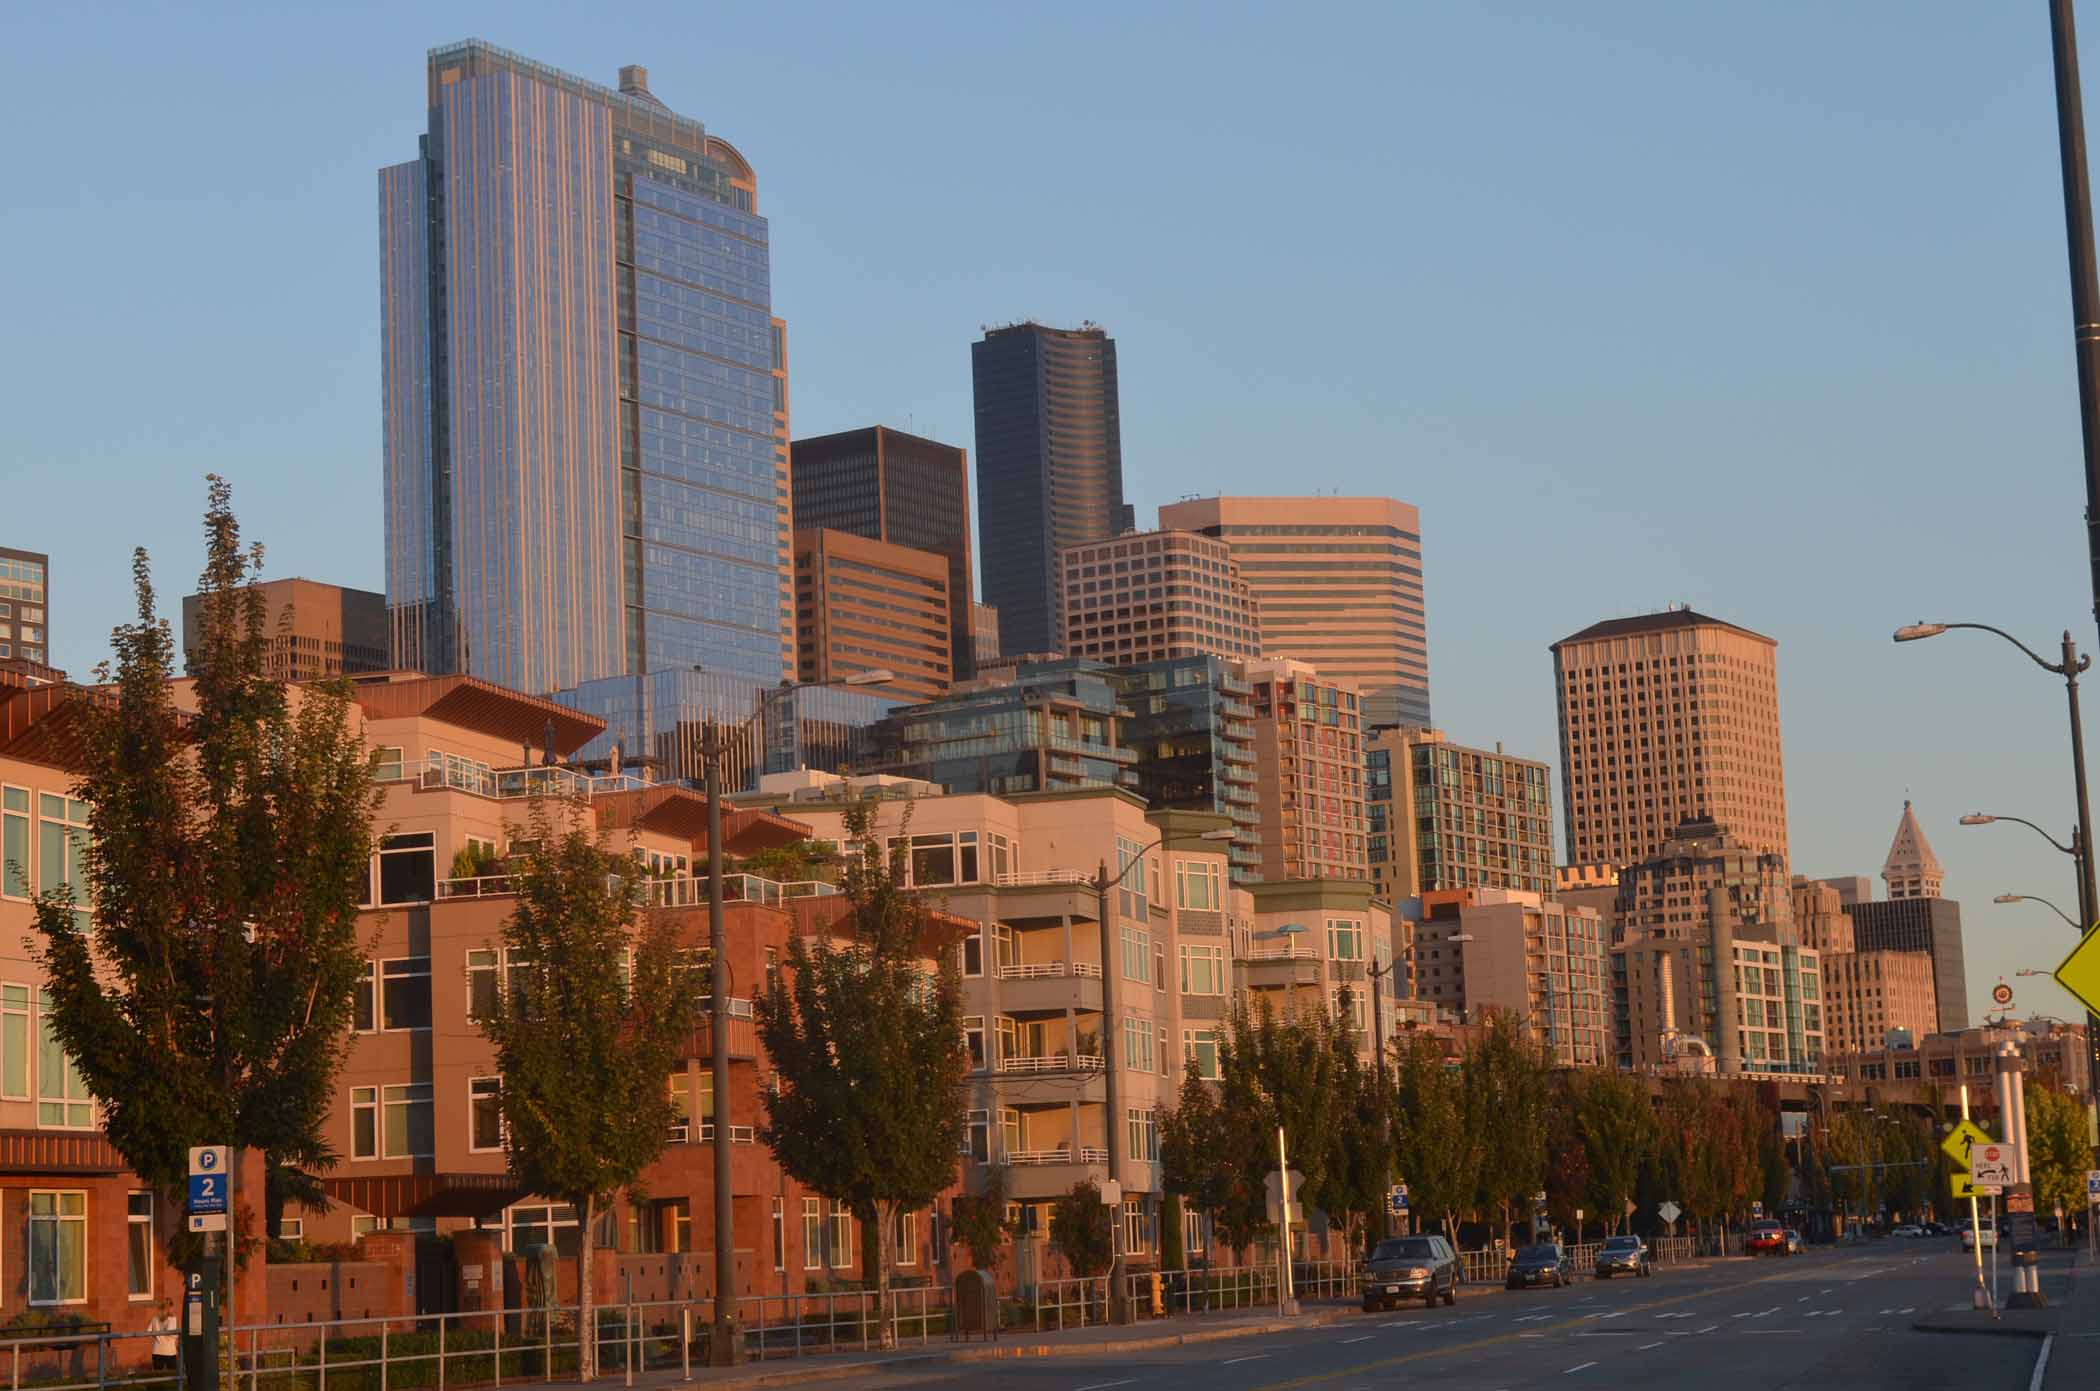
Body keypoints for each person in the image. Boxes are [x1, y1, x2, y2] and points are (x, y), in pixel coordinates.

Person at [146, 1299, 178, 1373]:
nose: (173, 1309)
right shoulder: (172, 1319)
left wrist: (157, 1337)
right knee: (172, 1376)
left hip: (157, 1350)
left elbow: (148, 1332)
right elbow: (172, 1333)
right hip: (169, 1351)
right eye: (172, 1307)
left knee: (157, 1376)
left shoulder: (155, 1318)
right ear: (170, 1307)